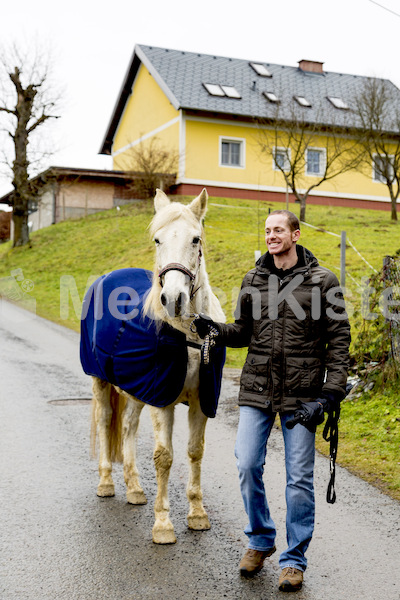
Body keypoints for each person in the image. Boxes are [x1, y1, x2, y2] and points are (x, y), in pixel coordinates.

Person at [194, 209, 350, 593]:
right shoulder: (254, 279)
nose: (271, 235)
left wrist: (330, 394)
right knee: (247, 463)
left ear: (295, 235)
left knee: (298, 480)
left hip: (304, 395)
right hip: (258, 388)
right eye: (267, 230)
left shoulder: (322, 281)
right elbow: (244, 332)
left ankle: (294, 561)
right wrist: (215, 329)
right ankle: (261, 540)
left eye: (278, 229)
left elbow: (340, 341)